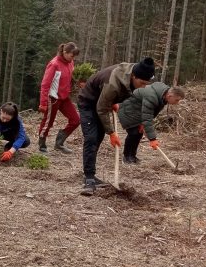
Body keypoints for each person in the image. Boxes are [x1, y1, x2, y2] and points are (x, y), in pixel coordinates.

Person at [77, 57, 155, 195]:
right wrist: (112, 133)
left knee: (98, 137)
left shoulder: (135, 72)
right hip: (89, 102)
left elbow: (110, 100)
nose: (143, 86)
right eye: (142, 83)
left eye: (146, 84)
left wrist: (113, 101)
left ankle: (91, 174)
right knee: (91, 138)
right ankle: (89, 178)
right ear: (133, 76)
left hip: (103, 100)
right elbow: (101, 108)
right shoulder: (113, 84)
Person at [118, 83, 185, 164]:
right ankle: (126, 157)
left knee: (138, 133)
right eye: (176, 100)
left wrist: (144, 125)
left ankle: (132, 156)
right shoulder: (152, 96)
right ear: (170, 96)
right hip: (128, 110)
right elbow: (147, 117)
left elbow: (150, 114)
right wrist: (152, 139)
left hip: (139, 111)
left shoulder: (162, 96)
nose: (177, 102)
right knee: (133, 132)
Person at [38, 42, 81, 153]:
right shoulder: (54, 64)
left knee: (75, 120)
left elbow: (71, 78)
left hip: (65, 97)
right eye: (72, 55)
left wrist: (80, 82)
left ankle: (59, 143)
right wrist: (43, 102)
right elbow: (45, 84)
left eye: (74, 56)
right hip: (53, 98)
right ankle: (42, 145)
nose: (73, 58)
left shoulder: (70, 63)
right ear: (65, 52)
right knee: (48, 122)